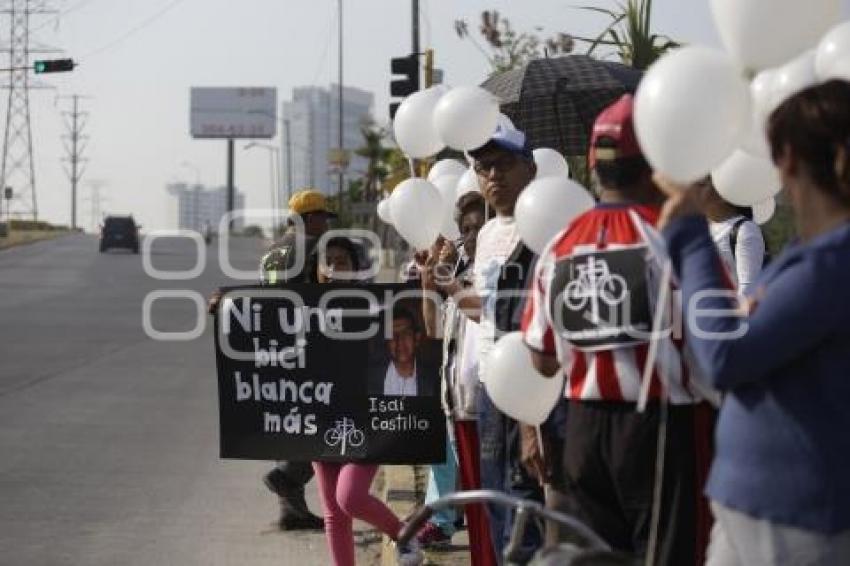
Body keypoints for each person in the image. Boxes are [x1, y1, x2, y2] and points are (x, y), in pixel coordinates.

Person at [657, 80, 850, 565]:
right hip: (757, 510)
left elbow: (724, 355)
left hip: (795, 519)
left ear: (785, 160)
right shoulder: (810, 255)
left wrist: (690, 235)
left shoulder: (832, 263)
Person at [521, 95, 714, 565]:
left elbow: (542, 360)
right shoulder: (677, 238)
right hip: (662, 428)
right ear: (656, 165)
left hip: (583, 431)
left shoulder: (558, 246)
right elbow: (720, 341)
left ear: (593, 166)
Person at [437, 120, 544, 561]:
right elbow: (486, 309)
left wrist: (533, 418)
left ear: (530, 169)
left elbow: (542, 324)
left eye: (503, 164)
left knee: (527, 519)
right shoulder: (485, 235)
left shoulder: (543, 226)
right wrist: (445, 284)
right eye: (483, 167)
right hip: (487, 392)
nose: (493, 176)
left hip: (530, 396)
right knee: (496, 511)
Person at [208, 188, 335, 531]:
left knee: (288, 418)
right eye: (323, 216)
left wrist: (229, 298)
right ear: (309, 219)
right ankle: (287, 476)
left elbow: (264, 293)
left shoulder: (272, 251)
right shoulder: (315, 248)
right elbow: (327, 292)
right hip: (309, 344)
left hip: (275, 346)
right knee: (324, 418)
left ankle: (291, 510)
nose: (327, 223)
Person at [311, 237, 424, 566]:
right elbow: (261, 308)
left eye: (341, 261)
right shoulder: (301, 305)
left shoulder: (375, 305)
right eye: (327, 261)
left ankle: (403, 533)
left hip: (367, 418)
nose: (333, 268)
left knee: (350, 496)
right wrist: (227, 301)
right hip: (319, 417)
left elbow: (409, 313)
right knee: (333, 512)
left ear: (356, 267)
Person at [416, 192, 497, 564]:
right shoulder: (461, 273)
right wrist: (427, 284)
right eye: (465, 228)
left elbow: (486, 313)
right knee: (478, 515)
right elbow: (433, 334)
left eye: (479, 226)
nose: (471, 234)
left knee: (495, 513)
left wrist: (447, 282)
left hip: (490, 410)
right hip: (459, 410)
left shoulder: (497, 271)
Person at [701, 179, 766, 295]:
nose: (695, 191)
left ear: (722, 195)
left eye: (702, 185)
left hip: (727, 310)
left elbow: (748, 288)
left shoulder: (744, 229)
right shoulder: (700, 227)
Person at [367, 306, 439, 397]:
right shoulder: (369, 378)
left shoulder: (436, 379)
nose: (400, 341)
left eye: (406, 333)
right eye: (393, 335)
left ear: (416, 338)